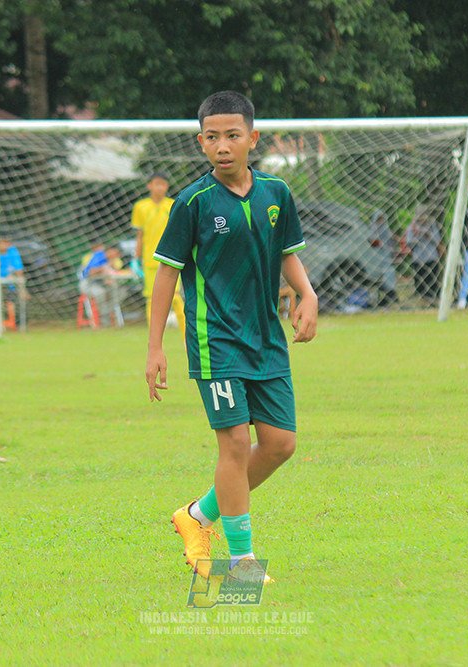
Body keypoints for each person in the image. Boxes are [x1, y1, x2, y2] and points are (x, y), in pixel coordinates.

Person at [145, 91, 318, 584]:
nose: (223, 145)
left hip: (266, 338)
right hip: (214, 338)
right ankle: (241, 563)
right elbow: (166, 276)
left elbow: (287, 252)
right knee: (236, 445)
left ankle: (198, 515)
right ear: (201, 143)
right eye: (212, 137)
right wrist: (156, 347)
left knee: (281, 444)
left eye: (233, 136)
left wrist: (307, 294)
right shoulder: (192, 203)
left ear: (252, 138)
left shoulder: (276, 193)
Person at [132, 171, 186, 341]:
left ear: (167, 186)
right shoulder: (140, 207)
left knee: (175, 298)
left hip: (170, 258)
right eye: (156, 184)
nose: (159, 187)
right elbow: (140, 235)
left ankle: (186, 337)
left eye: (163, 184)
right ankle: (154, 340)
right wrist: (136, 258)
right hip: (149, 260)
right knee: (150, 299)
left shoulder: (172, 205)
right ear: (149, 185)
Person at [78, 239, 129, 326]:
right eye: (115, 253)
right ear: (110, 251)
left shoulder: (113, 260)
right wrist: (105, 267)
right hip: (89, 284)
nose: (117, 255)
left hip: (103, 284)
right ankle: (101, 319)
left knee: (121, 292)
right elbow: (92, 272)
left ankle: (106, 313)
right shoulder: (99, 255)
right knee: (100, 293)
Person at [404, 204, 443, 305]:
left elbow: (437, 240)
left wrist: (429, 235)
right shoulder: (412, 227)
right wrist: (418, 236)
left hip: (431, 258)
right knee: (420, 284)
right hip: (418, 259)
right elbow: (408, 243)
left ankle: (433, 302)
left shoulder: (431, 225)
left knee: (432, 282)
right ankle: (422, 303)